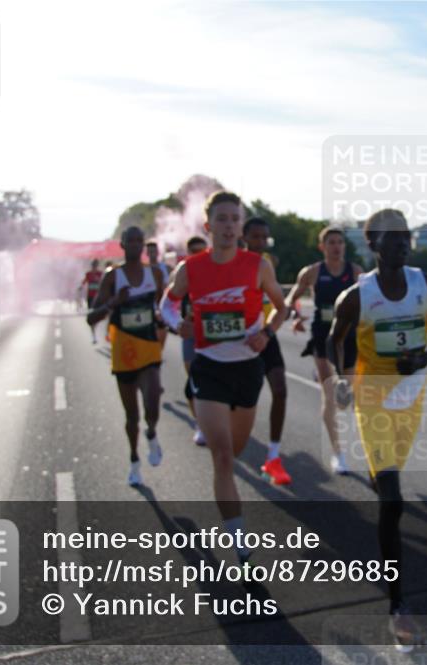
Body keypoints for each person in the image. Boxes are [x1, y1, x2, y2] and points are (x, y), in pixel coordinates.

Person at [327, 209, 427, 652]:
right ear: (373, 245)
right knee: (393, 500)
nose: (401, 244)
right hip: (373, 399)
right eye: (391, 238)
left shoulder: (425, 285)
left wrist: (423, 359)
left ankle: (382, 481)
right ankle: (398, 605)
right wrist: (342, 379)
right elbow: (334, 338)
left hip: (411, 401)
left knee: (388, 485)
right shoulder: (357, 297)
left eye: (405, 237)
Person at [160, 191, 288, 567]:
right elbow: (167, 303)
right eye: (222, 219)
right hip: (209, 368)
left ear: (241, 226)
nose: (229, 226)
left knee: (236, 449)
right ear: (208, 225)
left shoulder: (258, 266)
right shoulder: (190, 268)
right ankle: (240, 545)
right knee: (222, 457)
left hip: (247, 368)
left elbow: (281, 307)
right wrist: (177, 324)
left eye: (235, 219)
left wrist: (266, 332)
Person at [87, 227, 164, 487]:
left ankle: (152, 432)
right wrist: (114, 302)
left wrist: (166, 319)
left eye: (139, 240)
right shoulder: (113, 276)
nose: (134, 244)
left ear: (143, 244)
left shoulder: (154, 274)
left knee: (153, 403)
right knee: (131, 416)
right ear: (122, 245)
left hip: (149, 348)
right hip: (124, 352)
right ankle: (134, 461)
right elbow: (92, 317)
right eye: (130, 240)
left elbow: (164, 307)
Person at [285, 225, 362, 475]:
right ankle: (338, 453)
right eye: (331, 242)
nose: (337, 247)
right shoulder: (312, 272)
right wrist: (295, 315)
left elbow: (370, 301)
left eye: (340, 242)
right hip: (323, 336)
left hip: (348, 336)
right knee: (329, 395)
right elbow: (291, 298)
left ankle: (336, 381)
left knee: (344, 399)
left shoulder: (356, 272)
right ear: (322, 247)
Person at [242, 217, 291, 485]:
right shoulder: (234, 262)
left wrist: (268, 331)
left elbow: (279, 303)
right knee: (242, 401)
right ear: (244, 237)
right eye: (256, 237)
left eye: (265, 237)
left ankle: (273, 455)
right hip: (240, 341)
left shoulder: (267, 263)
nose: (261, 242)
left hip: (265, 336)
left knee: (280, 390)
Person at [180, 235, 209, 445]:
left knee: (213, 379)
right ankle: (200, 423)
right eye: (194, 251)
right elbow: (168, 303)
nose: (199, 254)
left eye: (202, 250)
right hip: (191, 335)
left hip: (211, 334)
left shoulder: (216, 269)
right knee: (193, 381)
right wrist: (177, 323)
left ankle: (217, 420)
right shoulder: (182, 272)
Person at [81, 259, 104, 342]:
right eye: (93, 265)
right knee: (91, 316)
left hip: (98, 298)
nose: (94, 267)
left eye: (96, 265)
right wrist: (80, 288)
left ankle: (97, 332)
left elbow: (104, 283)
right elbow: (83, 282)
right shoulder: (88, 274)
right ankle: (93, 335)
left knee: (99, 316)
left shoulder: (100, 274)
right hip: (90, 298)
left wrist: (98, 280)